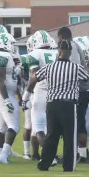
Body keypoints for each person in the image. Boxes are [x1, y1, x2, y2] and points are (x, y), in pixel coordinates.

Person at [22, 39, 89, 171]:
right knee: (69, 137)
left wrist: (26, 96)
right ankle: (68, 166)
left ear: (58, 52)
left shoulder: (49, 67)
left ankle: (44, 164)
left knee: (51, 136)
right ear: (70, 53)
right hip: (69, 105)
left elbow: (34, 78)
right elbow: (86, 78)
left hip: (52, 105)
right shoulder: (76, 68)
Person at [57, 27, 89, 163]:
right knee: (80, 123)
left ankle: (72, 155)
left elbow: (71, 67)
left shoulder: (70, 47)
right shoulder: (79, 46)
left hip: (75, 90)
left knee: (70, 124)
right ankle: (82, 154)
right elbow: (88, 69)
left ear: (61, 37)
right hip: (85, 89)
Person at [23, 30, 58, 166]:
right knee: (51, 128)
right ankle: (46, 154)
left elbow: (34, 77)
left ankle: (50, 157)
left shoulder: (35, 54)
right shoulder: (57, 53)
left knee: (38, 127)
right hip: (55, 93)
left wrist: (26, 95)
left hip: (40, 92)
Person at [0, 33, 21, 164]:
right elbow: (0, 81)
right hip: (2, 94)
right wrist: (7, 99)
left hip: (5, 93)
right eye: (11, 43)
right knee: (14, 126)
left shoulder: (5, 56)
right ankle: (3, 154)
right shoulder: (0, 56)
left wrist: (18, 93)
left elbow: (10, 79)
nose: (13, 46)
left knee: (1, 127)